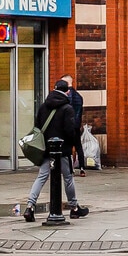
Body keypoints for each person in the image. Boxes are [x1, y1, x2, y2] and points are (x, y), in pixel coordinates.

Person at [16, 77, 87, 223]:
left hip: (46, 149)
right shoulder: (67, 108)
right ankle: (74, 208)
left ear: (54, 89)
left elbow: (37, 126)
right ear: (67, 92)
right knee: (68, 178)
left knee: (41, 177)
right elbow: (70, 131)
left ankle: (30, 206)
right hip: (63, 150)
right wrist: (73, 144)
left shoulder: (43, 106)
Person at [65, 75, 87, 176]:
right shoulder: (79, 96)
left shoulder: (67, 95)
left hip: (68, 125)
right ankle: (82, 168)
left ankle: (71, 168)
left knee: (68, 147)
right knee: (78, 146)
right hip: (77, 125)